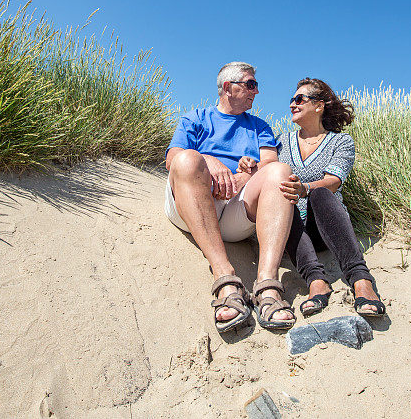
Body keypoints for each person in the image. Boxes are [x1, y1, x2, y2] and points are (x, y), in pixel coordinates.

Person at [164, 62, 297, 333]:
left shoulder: (260, 126)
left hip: (236, 212)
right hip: (192, 207)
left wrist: (248, 174)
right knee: (188, 158)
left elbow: (269, 164)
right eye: (250, 84)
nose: (256, 92)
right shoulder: (196, 118)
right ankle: (225, 278)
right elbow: (171, 159)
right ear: (228, 87)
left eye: (256, 85)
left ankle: (268, 287)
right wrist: (209, 160)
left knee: (280, 171)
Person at [238, 78, 385, 317]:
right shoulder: (283, 142)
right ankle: (316, 280)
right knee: (283, 195)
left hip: (324, 227)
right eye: (291, 101)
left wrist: (305, 188)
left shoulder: (341, 142)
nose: (292, 105)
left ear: (319, 106)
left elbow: (334, 181)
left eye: (299, 99)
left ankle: (361, 279)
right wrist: (250, 165)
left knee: (320, 194)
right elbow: (268, 175)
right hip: (289, 231)